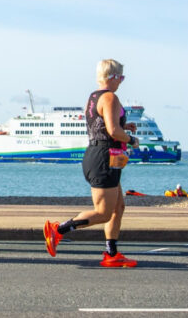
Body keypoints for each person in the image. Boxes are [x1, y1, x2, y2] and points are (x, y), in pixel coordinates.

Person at [44, 59, 139, 268]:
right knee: (103, 212)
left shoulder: (94, 97)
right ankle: (58, 230)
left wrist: (125, 124)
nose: (121, 82)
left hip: (100, 155)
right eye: (121, 77)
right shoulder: (110, 97)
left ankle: (111, 253)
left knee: (118, 207)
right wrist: (131, 139)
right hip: (104, 157)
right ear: (112, 77)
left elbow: (103, 125)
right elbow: (113, 132)